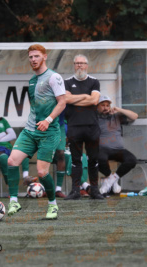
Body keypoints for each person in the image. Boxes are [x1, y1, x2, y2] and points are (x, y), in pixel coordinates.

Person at [6, 44, 66, 219]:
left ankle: (53, 205)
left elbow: (62, 103)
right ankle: (14, 201)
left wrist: (48, 120)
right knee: (11, 161)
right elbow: (35, 108)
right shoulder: (32, 81)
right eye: (31, 57)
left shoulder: (54, 77)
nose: (33, 60)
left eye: (36, 56)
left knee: (41, 172)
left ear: (44, 57)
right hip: (30, 131)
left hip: (49, 131)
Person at [64, 54, 104, 200]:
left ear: (87, 65)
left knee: (93, 159)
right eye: (77, 63)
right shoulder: (66, 82)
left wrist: (76, 99)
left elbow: (94, 101)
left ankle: (94, 190)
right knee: (75, 160)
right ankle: (75, 191)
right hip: (74, 126)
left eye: (82, 63)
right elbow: (66, 99)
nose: (79, 66)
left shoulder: (94, 81)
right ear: (74, 65)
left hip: (92, 127)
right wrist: (85, 97)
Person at [97, 95, 138, 195]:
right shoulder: (94, 117)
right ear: (97, 106)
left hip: (118, 149)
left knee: (132, 160)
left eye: (107, 105)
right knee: (97, 157)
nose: (105, 107)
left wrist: (118, 109)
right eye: (103, 105)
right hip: (103, 149)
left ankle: (111, 180)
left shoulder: (117, 116)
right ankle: (112, 180)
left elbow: (134, 116)